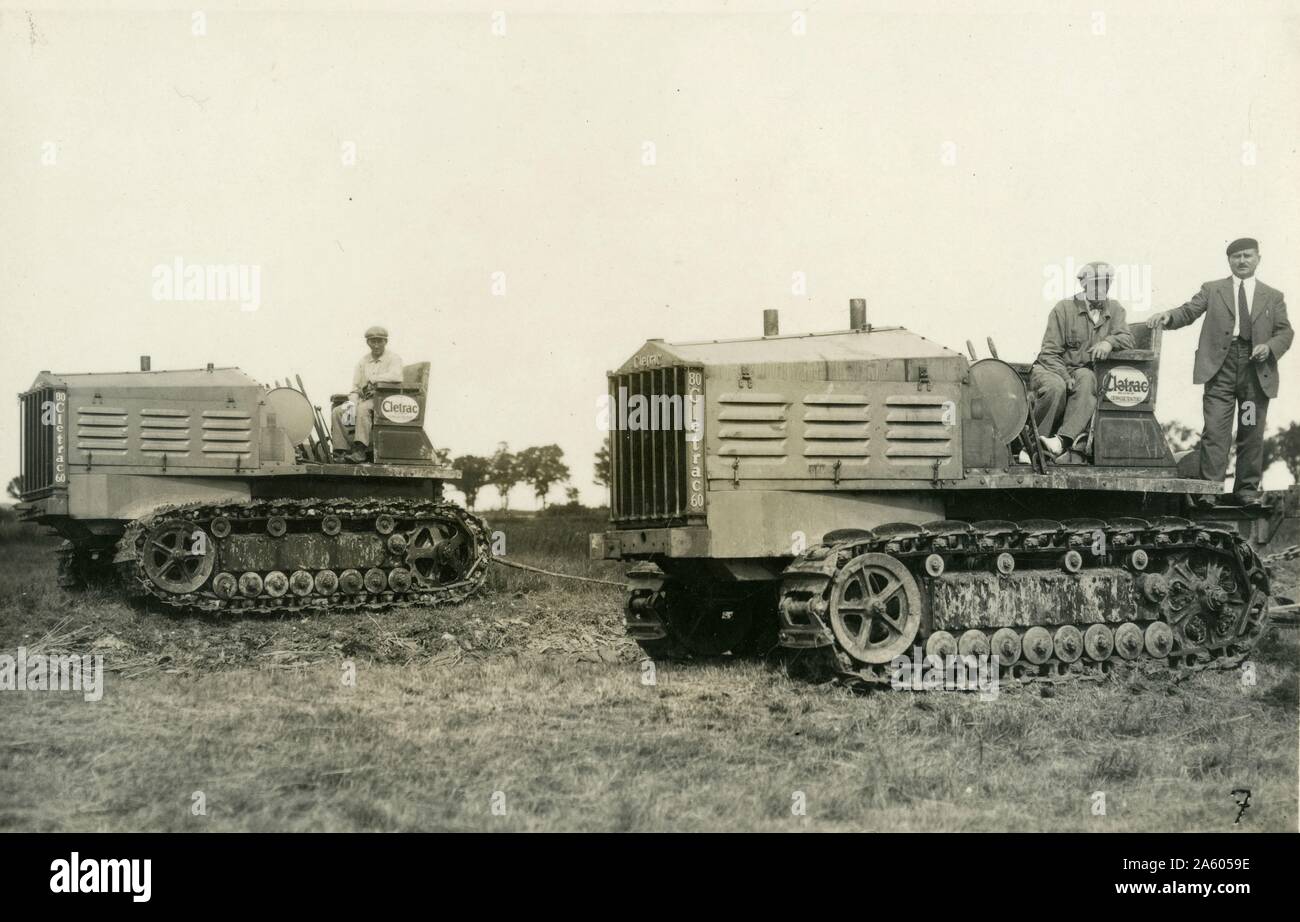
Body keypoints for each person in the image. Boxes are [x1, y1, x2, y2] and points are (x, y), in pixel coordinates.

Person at [1149, 238, 1292, 505]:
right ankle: (1209, 491)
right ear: (1229, 261)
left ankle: (1247, 492)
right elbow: (1189, 311)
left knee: (1250, 429)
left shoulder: (1272, 296)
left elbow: (1285, 332)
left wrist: (1269, 348)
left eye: (1247, 256)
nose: (1242, 261)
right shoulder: (1213, 290)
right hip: (1221, 370)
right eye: (1236, 256)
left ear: (1258, 258)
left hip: (1254, 371)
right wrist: (1168, 316)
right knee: (1216, 430)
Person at [1029, 261, 1134, 463]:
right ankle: (1032, 447)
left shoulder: (1116, 309)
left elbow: (1128, 338)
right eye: (1096, 283)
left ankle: (1060, 441)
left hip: (1080, 371)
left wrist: (1109, 342)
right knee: (1055, 387)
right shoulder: (1063, 309)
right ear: (1084, 285)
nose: (1101, 288)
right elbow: (1049, 353)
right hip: (1051, 368)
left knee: (1087, 378)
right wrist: (1065, 376)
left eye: (1106, 283)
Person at [331, 325, 403, 463]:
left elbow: (397, 376)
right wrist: (352, 402)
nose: (376, 345)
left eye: (379, 341)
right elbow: (356, 386)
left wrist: (374, 380)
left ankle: (360, 450)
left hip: (385, 400)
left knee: (363, 409)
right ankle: (341, 451)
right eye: (373, 341)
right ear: (368, 342)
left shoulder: (393, 358)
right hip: (365, 399)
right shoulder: (363, 361)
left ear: (385, 342)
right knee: (339, 411)